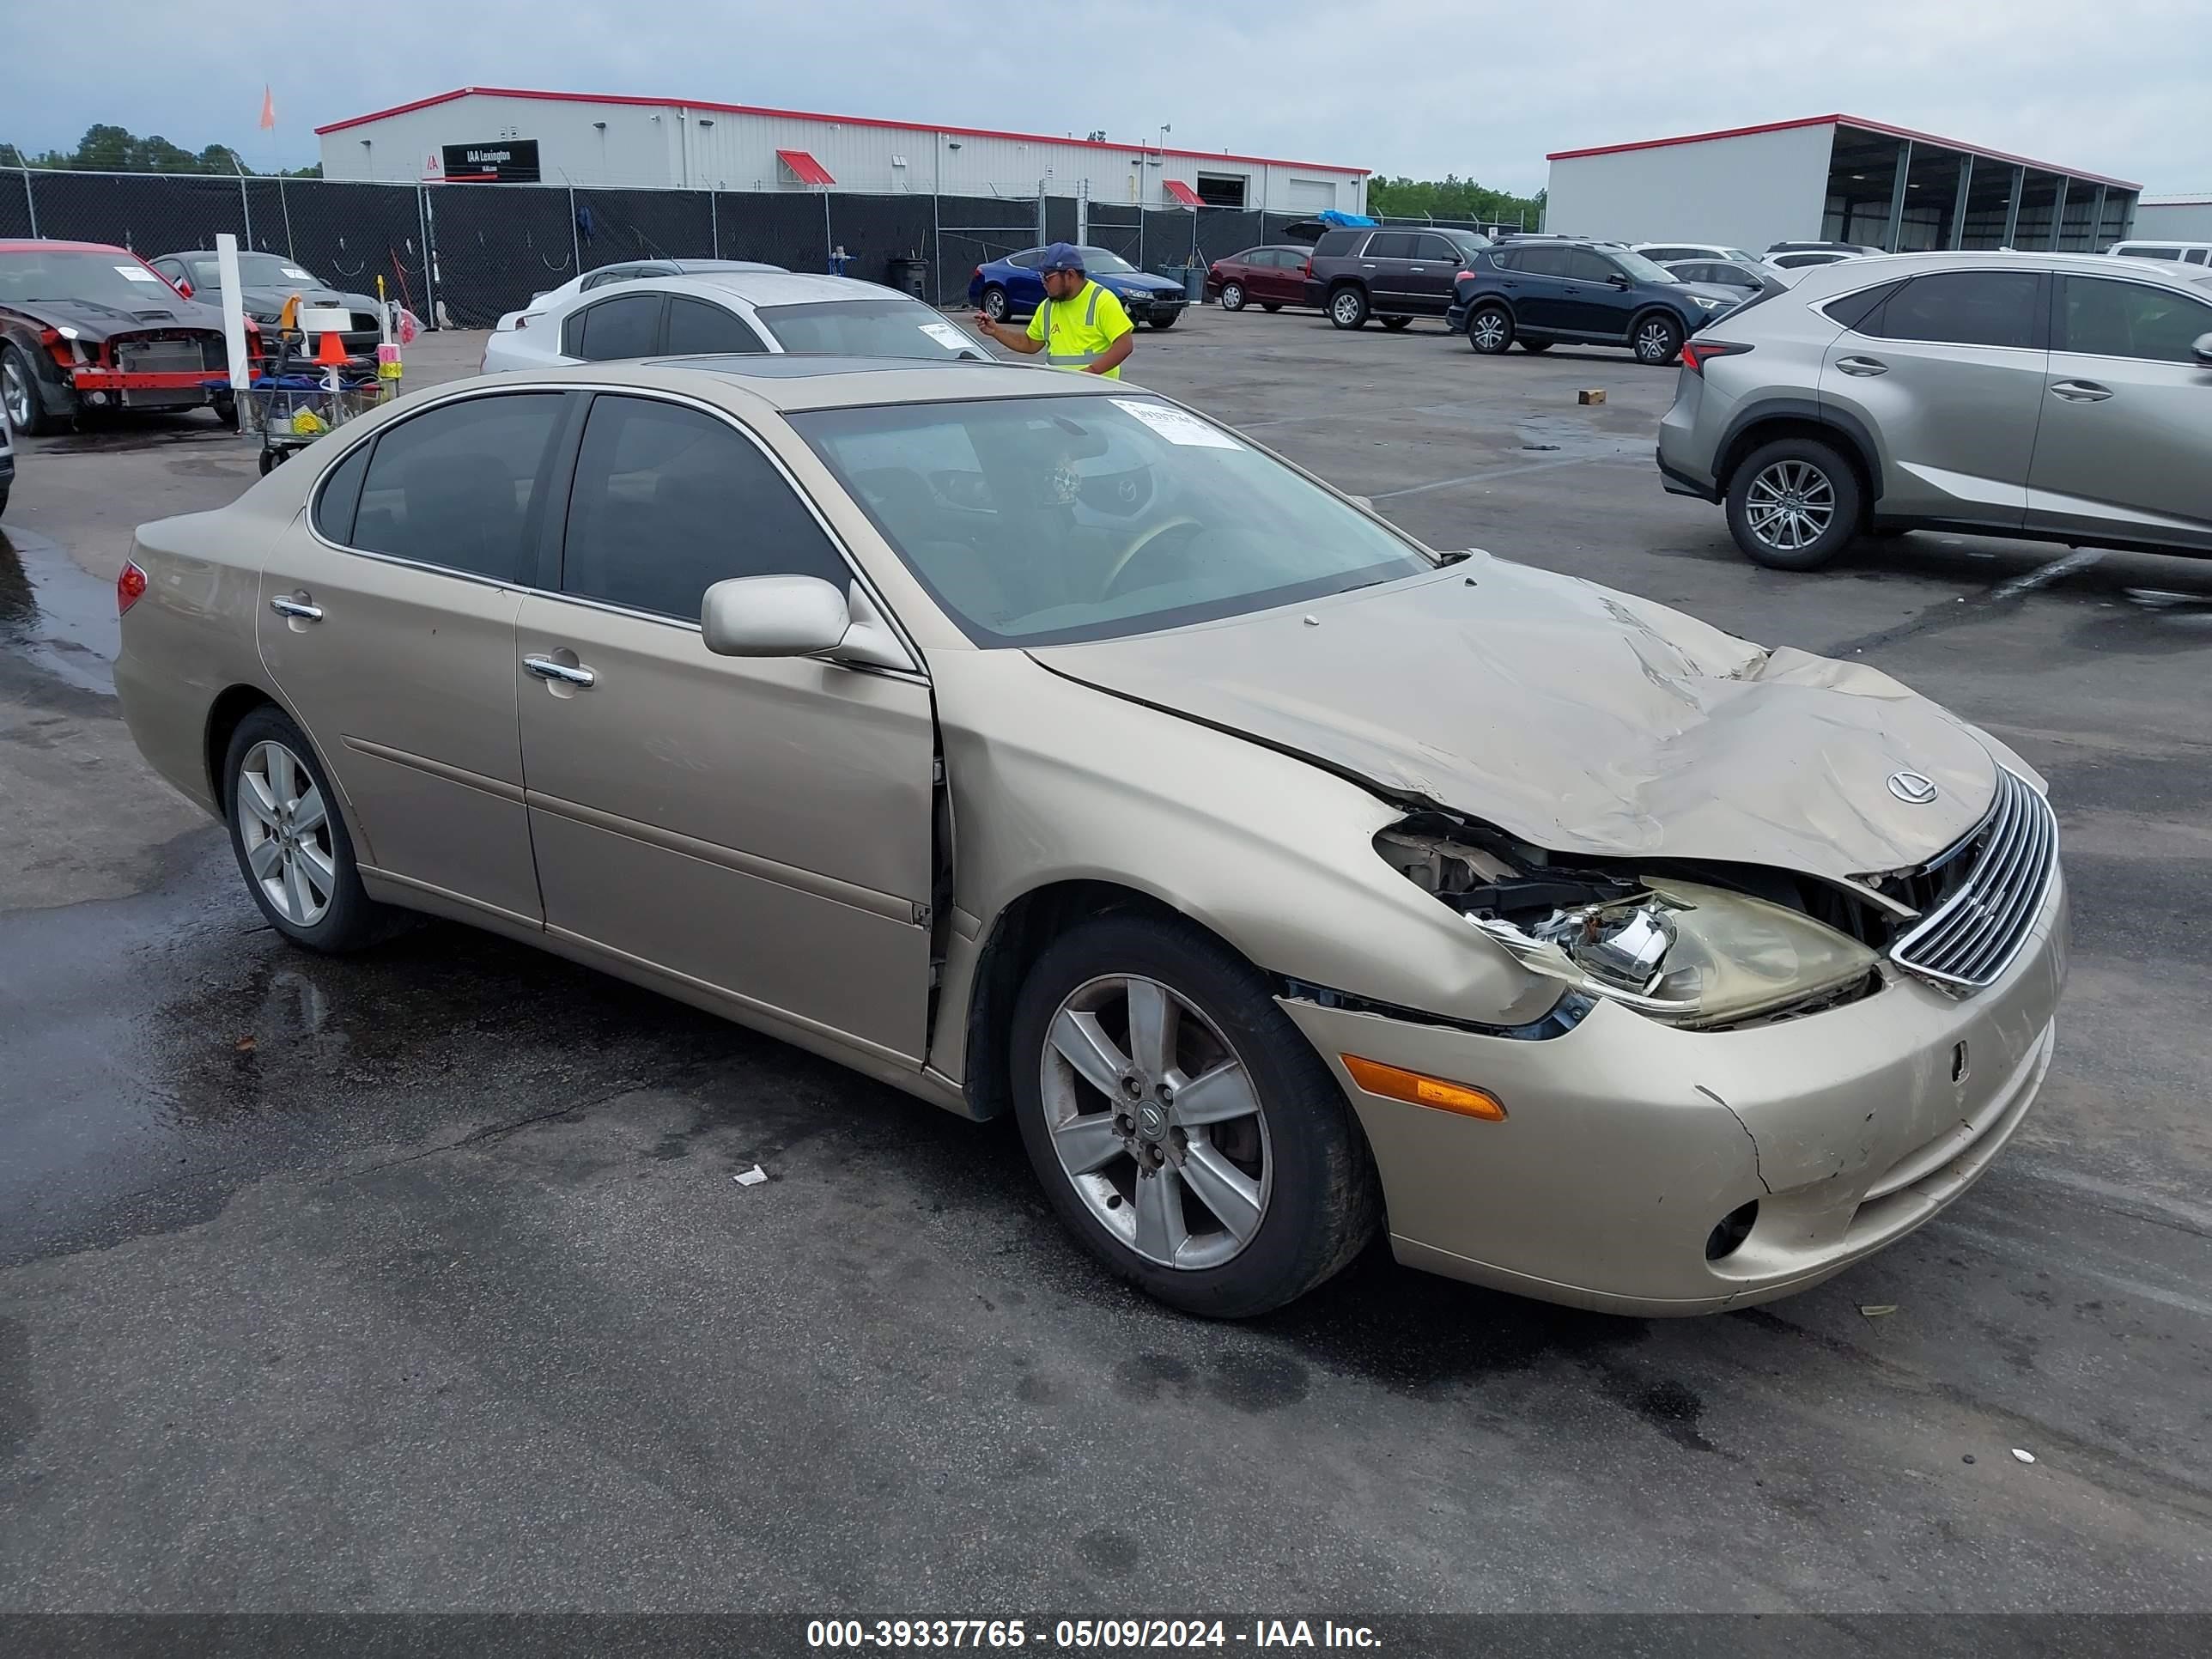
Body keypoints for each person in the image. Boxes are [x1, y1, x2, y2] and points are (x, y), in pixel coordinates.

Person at [973, 243, 1135, 378]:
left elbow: (1124, 345)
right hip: (1060, 392)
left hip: (1096, 394)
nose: (1043, 282)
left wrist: (1090, 374)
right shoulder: (1048, 307)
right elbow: (1030, 344)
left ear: (1070, 275)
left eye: (1048, 277)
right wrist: (996, 330)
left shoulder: (1102, 300)